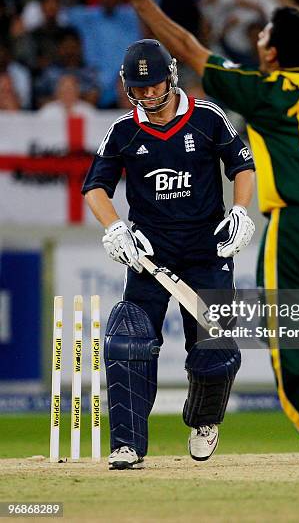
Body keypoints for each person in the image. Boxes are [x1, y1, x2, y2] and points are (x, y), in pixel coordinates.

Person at [120, 0, 299, 495]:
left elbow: (189, 49)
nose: (257, 37)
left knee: (293, 376)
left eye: (263, 33)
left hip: (297, 229)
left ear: (270, 53)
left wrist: (144, 4)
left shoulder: (264, 92)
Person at [82, 38, 256, 470]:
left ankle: (204, 421)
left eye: (153, 85)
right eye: (137, 89)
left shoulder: (208, 118)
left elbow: (242, 167)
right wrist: (116, 226)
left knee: (214, 348)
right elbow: (95, 187)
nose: (145, 95)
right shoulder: (124, 129)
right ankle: (127, 444)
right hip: (149, 257)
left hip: (207, 251)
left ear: (171, 77)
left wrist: (239, 211)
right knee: (128, 343)